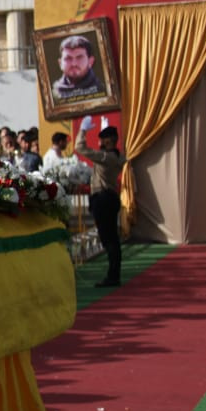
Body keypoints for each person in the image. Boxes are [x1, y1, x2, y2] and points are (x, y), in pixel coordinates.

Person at [76, 117, 126, 287]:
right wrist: (105, 131)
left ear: (107, 141)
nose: (99, 143)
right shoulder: (117, 157)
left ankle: (113, 276)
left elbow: (80, 147)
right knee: (112, 238)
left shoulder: (106, 157)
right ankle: (114, 274)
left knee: (108, 239)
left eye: (101, 139)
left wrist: (83, 130)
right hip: (111, 198)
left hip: (103, 199)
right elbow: (104, 153)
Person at [52, 35, 104, 100]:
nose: (74, 64)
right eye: (68, 58)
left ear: (90, 61)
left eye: (79, 57)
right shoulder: (52, 96)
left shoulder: (102, 90)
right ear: (60, 63)